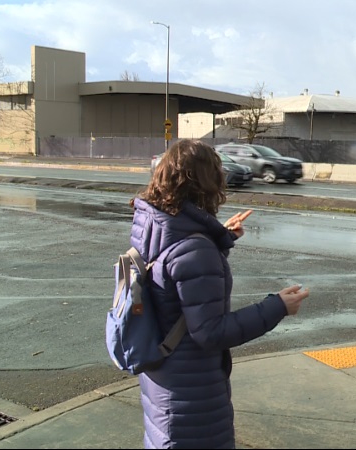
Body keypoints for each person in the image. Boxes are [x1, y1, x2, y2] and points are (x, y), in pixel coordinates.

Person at [129, 139, 310, 449]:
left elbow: (178, 280)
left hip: (163, 380)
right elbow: (210, 332)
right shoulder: (196, 249)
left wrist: (219, 238)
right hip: (192, 396)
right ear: (206, 184)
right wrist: (277, 306)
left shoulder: (153, 225)